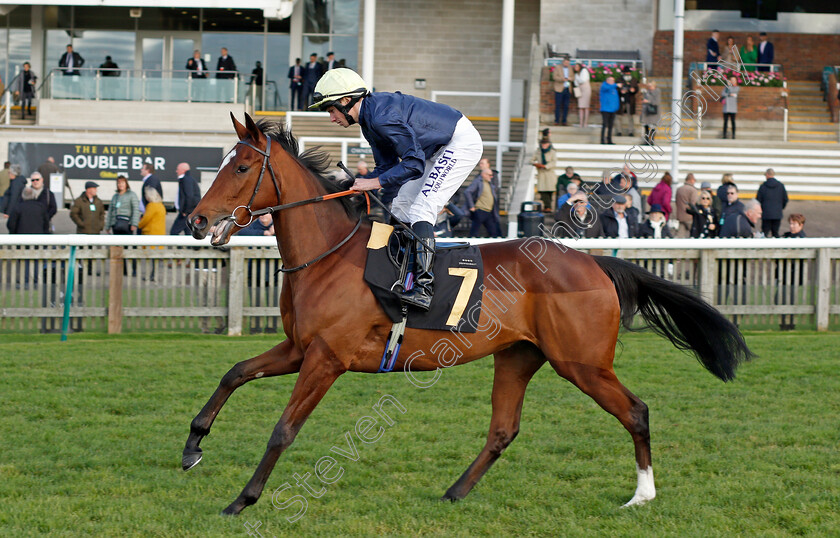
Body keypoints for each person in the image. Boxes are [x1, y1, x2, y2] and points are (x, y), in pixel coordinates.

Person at [310, 67, 483, 310]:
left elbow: (413, 164)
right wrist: (354, 184)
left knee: (422, 209)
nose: (331, 118)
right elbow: (387, 166)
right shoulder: (368, 121)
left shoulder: (380, 117)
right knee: (401, 204)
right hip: (432, 149)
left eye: (331, 110)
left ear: (346, 100)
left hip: (458, 143)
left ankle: (424, 287)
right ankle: (398, 275)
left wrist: (372, 183)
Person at [464, 167, 501, 238]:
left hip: (489, 211)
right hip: (480, 210)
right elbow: (467, 192)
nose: (491, 177)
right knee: (474, 232)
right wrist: (471, 206)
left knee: (493, 232)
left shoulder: (489, 184)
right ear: (484, 174)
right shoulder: (478, 182)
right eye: (490, 175)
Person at [755, 168, 788, 238]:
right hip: (777, 214)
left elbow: (758, 200)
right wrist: (780, 208)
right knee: (775, 233)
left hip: (766, 214)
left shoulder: (763, 186)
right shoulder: (780, 186)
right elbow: (785, 199)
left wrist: (761, 210)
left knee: (764, 233)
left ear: (767, 175)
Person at [170, 162, 201, 235]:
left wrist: (185, 211)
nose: (176, 171)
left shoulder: (186, 180)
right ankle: (185, 246)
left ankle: (178, 246)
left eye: (178, 169)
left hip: (186, 212)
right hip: (189, 212)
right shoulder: (188, 179)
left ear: (183, 170)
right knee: (188, 233)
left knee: (174, 232)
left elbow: (189, 196)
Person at [532, 136, 556, 211]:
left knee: (549, 191)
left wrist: (545, 166)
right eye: (543, 144)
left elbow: (553, 162)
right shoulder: (538, 151)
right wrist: (536, 164)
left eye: (545, 144)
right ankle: (547, 207)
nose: (544, 145)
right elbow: (531, 160)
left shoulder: (552, 152)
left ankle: (548, 207)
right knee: (542, 191)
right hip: (541, 173)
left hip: (549, 173)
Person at [616, 67, 639, 137]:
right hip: (621, 100)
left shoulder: (634, 80)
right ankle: (619, 131)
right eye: (626, 73)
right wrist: (621, 91)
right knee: (619, 116)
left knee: (630, 117)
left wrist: (633, 90)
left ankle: (631, 131)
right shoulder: (619, 79)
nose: (627, 74)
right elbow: (616, 88)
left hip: (630, 100)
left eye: (628, 73)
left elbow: (637, 88)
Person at [675, 173, 700, 238]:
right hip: (689, 216)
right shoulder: (693, 190)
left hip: (680, 215)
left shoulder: (679, 189)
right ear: (692, 180)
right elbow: (693, 204)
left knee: (680, 235)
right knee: (692, 234)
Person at [640, 80, 661, 146]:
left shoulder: (657, 92)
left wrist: (648, 101)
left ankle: (651, 141)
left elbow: (657, 102)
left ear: (654, 86)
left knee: (652, 127)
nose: (649, 87)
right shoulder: (647, 92)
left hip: (653, 112)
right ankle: (646, 141)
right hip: (646, 112)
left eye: (650, 86)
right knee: (646, 126)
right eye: (648, 86)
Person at [552, 57, 572, 126]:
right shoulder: (558, 67)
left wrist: (570, 78)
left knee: (566, 106)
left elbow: (573, 77)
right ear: (563, 62)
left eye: (568, 63)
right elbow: (554, 77)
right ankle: (556, 120)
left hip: (567, 88)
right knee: (558, 105)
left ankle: (564, 120)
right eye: (566, 63)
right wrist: (562, 79)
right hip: (559, 88)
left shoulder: (570, 68)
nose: (567, 64)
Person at [600, 76, 619, 145]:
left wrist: (616, 107)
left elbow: (616, 99)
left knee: (611, 125)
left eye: (613, 81)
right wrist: (615, 85)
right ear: (607, 80)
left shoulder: (614, 88)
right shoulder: (604, 86)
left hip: (612, 109)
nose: (613, 82)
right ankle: (602, 139)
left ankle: (609, 139)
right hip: (605, 109)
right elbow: (606, 88)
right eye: (611, 80)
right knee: (605, 124)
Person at [573, 62, 591, 128]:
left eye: (577, 67)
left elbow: (582, 80)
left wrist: (577, 79)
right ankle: (581, 123)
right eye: (575, 67)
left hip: (586, 89)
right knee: (580, 107)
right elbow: (576, 83)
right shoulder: (576, 74)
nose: (576, 68)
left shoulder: (584, 71)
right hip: (579, 89)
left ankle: (585, 123)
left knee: (586, 107)